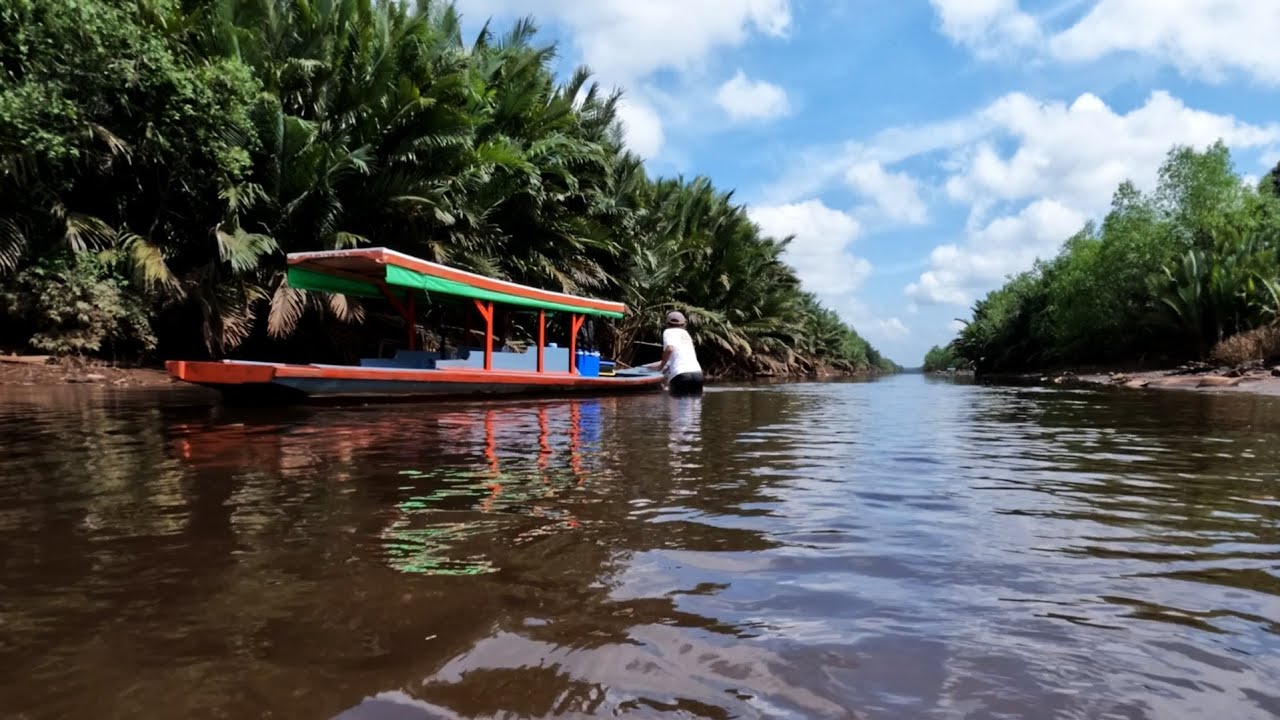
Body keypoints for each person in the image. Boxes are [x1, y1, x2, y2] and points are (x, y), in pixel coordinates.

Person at [646, 310, 704, 396]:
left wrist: (661, 367)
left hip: (680, 375)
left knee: (676, 405)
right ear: (684, 324)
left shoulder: (668, 332)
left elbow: (669, 349)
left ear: (667, 323)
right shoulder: (686, 334)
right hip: (698, 375)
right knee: (694, 406)